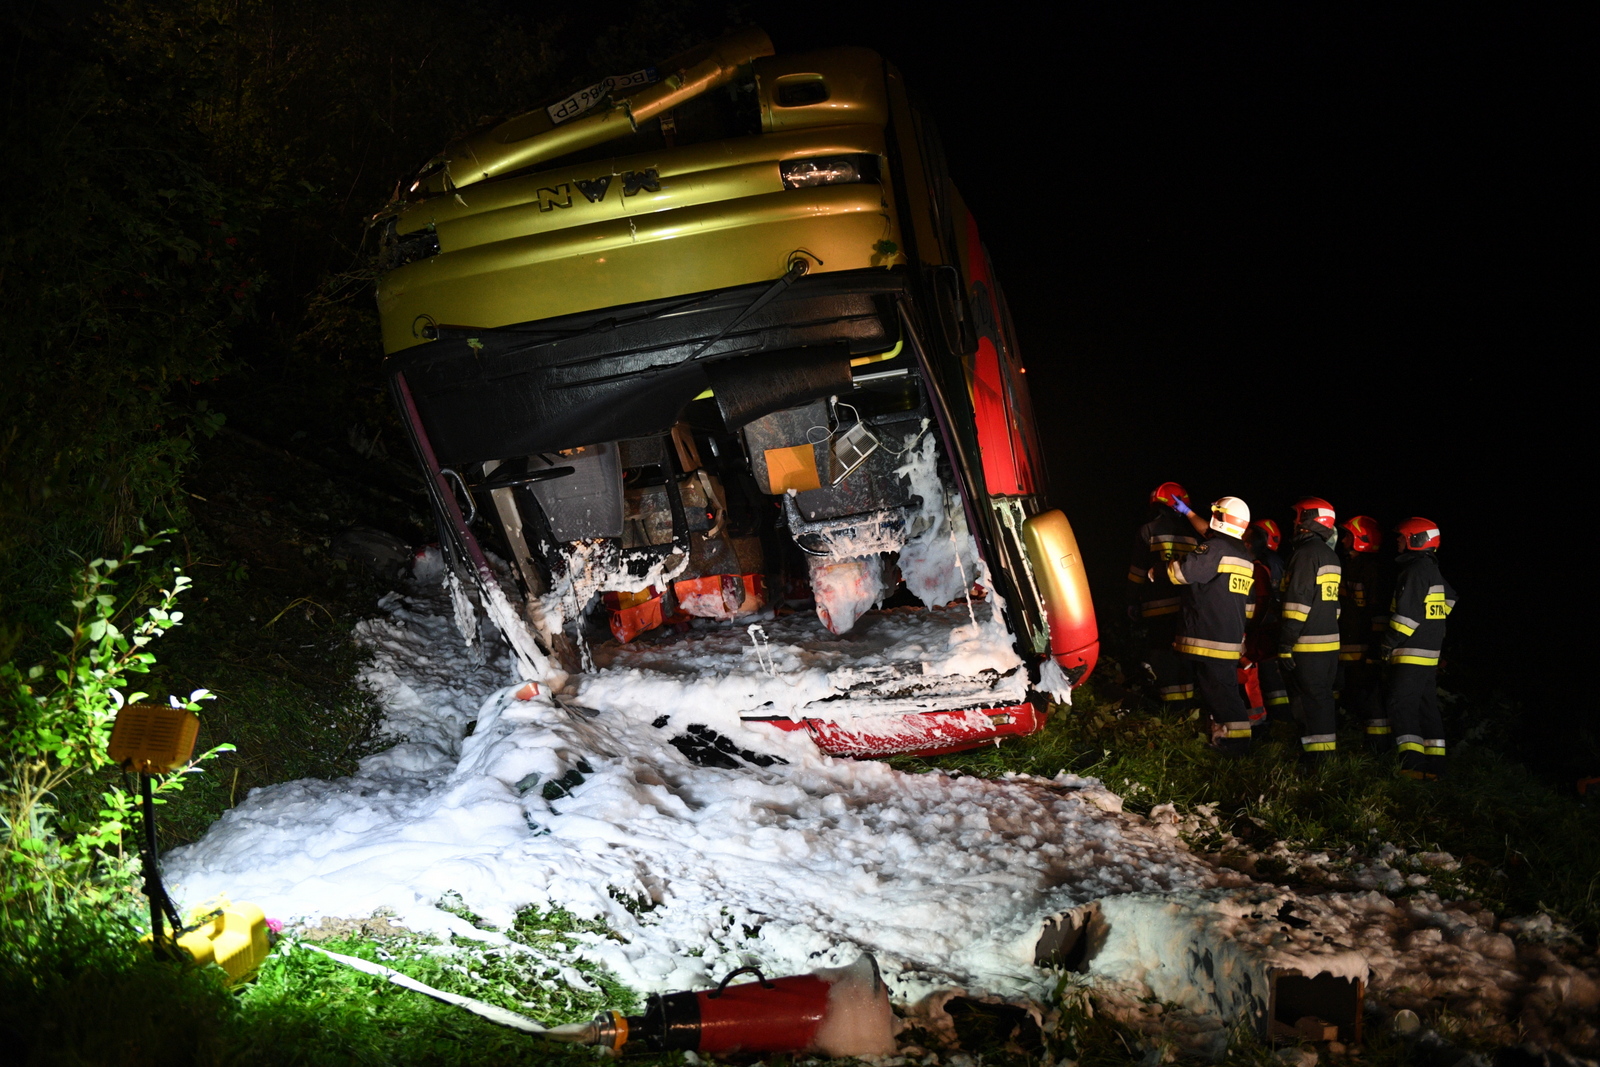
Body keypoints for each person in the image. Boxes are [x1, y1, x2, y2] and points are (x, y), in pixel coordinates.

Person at [1167, 497, 1257, 755]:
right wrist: (1187, 512)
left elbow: (1181, 573)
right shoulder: (1243, 555)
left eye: (1216, 513)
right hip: (1229, 637)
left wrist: (1155, 573)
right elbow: (1248, 607)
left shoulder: (1215, 548)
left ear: (1222, 518)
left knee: (1222, 694)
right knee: (1221, 690)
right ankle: (1225, 739)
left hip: (1210, 636)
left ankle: (1237, 746)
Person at [1381, 517, 1457, 779]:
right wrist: (1432, 628)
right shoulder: (1431, 569)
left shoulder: (1414, 571)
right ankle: (1436, 769)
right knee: (1426, 707)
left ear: (1416, 539)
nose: (1398, 540)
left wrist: (1387, 643)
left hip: (1410, 651)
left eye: (1402, 536)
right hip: (1429, 652)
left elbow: (1407, 618)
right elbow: (1449, 599)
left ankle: (1412, 767)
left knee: (1401, 705)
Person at [1126, 482, 1202, 709]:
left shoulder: (1148, 530)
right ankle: (1187, 705)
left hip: (1156, 606)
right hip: (1187, 607)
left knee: (1162, 655)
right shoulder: (1194, 534)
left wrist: (1131, 600)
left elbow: (1137, 572)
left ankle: (1171, 709)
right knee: (1184, 655)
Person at [1278, 497, 1342, 764]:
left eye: (1298, 516)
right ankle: (1323, 760)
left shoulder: (1304, 555)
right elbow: (1335, 607)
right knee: (1322, 701)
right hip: (1328, 647)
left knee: (1309, 704)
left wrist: (1286, 642)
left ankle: (1317, 765)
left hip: (1307, 646)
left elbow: (1297, 604)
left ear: (1308, 520)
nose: (1294, 522)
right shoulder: (1330, 555)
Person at [1336, 515, 1387, 748]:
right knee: (1348, 692)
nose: (1343, 540)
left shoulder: (1371, 570)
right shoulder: (1349, 566)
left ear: (1361, 540)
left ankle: (1378, 746)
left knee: (1369, 696)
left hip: (1363, 646)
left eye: (1348, 535)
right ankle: (1352, 738)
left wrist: (1375, 650)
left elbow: (1376, 613)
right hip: (1348, 643)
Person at [1243, 518, 1288, 730]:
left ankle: (1271, 718)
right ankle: (1278, 717)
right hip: (1272, 623)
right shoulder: (1276, 560)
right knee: (1270, 674)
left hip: (1263, 625)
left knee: (1264, 673)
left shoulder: (1262, 564)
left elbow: (1263, 598)